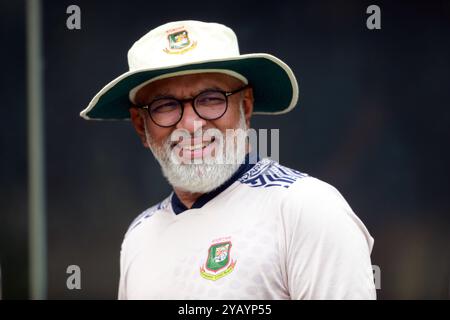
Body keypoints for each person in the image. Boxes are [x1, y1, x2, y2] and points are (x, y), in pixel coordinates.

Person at [80, 20, 376, 300]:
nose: (192, 125)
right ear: (140, 126)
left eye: (210, 99)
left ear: (245, 107)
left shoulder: (304, 209)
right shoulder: (139, 237)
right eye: (166, 105)